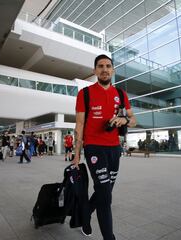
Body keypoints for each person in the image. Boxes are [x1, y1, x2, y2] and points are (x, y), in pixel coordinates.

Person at [72, 54, 136, 240]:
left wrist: (124, 119)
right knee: (106, 197)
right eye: (100, 66)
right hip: (94, 148)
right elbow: (80, 125)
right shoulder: (84, 93)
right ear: (95, 70)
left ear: (113, 70)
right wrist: (76, 154)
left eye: (108, 66)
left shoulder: (121, 94)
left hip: (114, 149)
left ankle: (84, 217)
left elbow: (133, 120)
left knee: (103, 191)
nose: (105, 69)